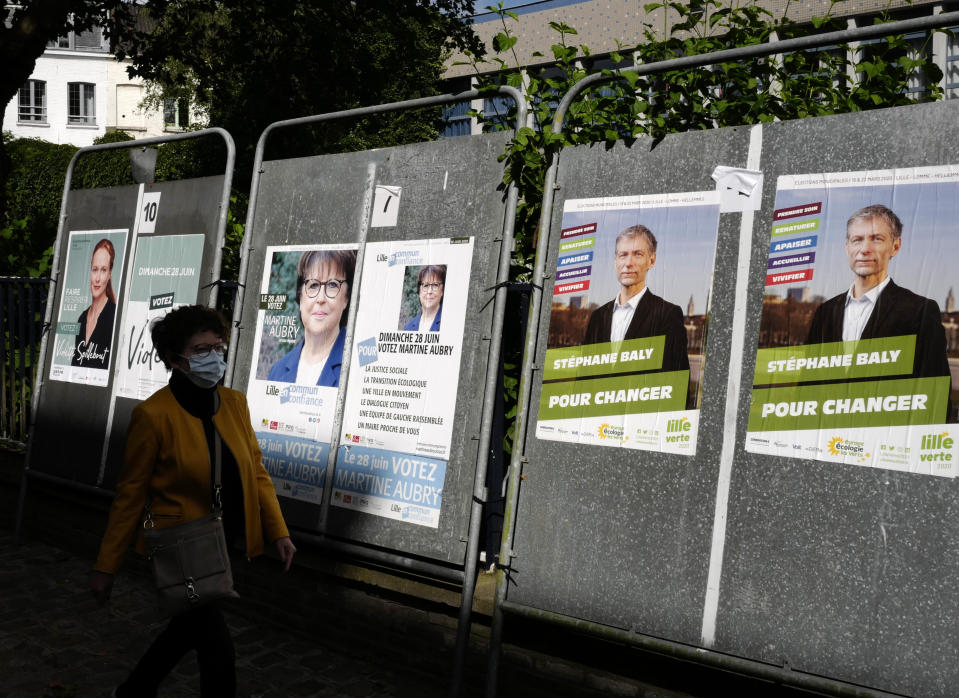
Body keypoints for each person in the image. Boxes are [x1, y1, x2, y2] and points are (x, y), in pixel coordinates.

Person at [89, 305, 296, 698]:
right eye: (201, 350)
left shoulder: (234, 403)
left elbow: (256, 472)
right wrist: (106, 566)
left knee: (185, 632)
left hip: (222, 544)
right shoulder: (153, 415)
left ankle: (132, 692)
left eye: (218, 348)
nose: (214, 358)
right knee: (219, 650)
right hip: (181, 549)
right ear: (175, 360)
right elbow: (130, 496)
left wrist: (278, 532)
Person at [805, 204, 950, 379]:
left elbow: (934, 394)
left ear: (895, 247)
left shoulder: (921, 312)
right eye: (857, 239)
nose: (865, 249)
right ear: (847, 247)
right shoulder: (824, 313)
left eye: (876, 239)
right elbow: (806, 389)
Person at [582, 225, 689, 373]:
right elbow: (583, 379)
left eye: (637, 254)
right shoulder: (598, 317)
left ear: (651, 261)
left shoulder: (667, 314)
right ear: (615, 261)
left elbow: (675, 380)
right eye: (623, 255)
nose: (628, 263)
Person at [267, 249, 356, 386]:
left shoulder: (357, 369)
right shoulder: (277, 372)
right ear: (300, 298)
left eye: (332, 285)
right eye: (313, 285)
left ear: (346, 298)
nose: (320, 298)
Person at [72, 237, 117, 369]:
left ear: (109, 274)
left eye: (103, 270)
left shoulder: (114, 316)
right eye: (95, 269)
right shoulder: (82, 318)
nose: (97, 278)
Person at [403, 265, 445, 332]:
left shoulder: (449, 323)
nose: (429, 291)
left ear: (442, 291)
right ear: (419, 291)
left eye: (435, 285)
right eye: (425, 285)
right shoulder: (408, 327)